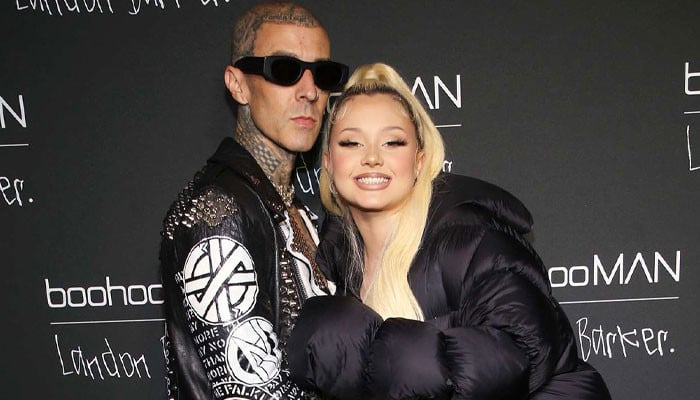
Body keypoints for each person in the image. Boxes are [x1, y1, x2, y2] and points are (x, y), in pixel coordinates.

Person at [287, 63, 611, 400]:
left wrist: (371, 352)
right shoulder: (336, 262)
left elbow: (523, 351)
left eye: (393, 142)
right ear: (328, 161)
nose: (372, 157)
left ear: (418, 161)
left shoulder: (469, 236)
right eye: (351, 143)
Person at [159, 3, 348, 399]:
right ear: (238, 84)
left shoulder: (296, 211)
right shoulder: (217, 213)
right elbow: (250, 389)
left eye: (323, 74)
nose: (310, 91)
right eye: (284, 70)